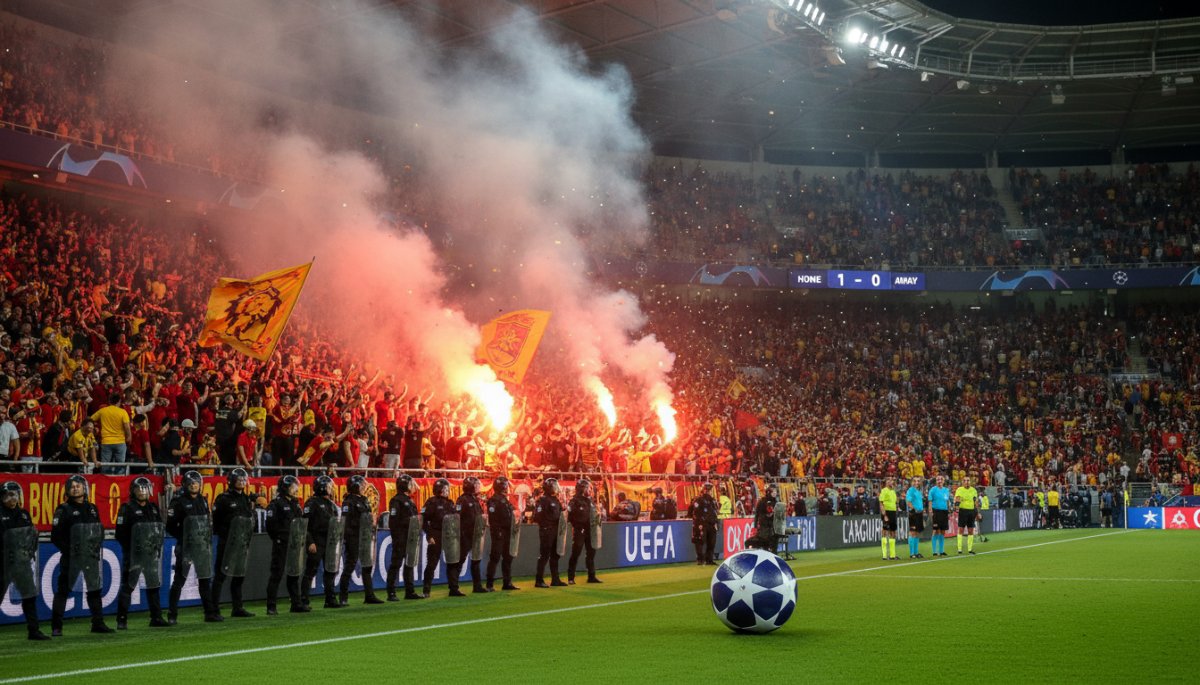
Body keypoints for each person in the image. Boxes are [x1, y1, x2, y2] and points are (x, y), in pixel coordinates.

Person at [50, 474, 113, 635]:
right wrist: (70, 551)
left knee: (94, 589)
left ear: (85, 489)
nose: (75, 489)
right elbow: (55, 537)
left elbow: (98, 531)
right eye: (72, 487)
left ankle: (98, 623)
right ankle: (56, 627)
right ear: (67, 490)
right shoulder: (63, 509)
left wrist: (95, 547)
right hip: (71, 558)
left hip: (90, 556)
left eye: (78, 486)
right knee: (63, 590)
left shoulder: (92, 508)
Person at [114, 476, 170, 629]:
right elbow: (120, 533)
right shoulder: (127, 508)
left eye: (145, 488)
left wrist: (156, 546)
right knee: (128, 586)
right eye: (139, 488)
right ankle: (121, 620)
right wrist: (131, 550)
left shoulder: (153, 507)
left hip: (150, 554)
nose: (142, 491)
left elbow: (159, 528)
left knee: (153, 585)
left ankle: (156, 617)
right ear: (133, 491)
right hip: (134, 555)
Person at [166, 470, 220, 623]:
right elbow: (170, 526)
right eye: (190, 483)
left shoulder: (203, 500)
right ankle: (172, 614)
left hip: (201, 546)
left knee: (204, 579)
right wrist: (183, 537)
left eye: (196, 483)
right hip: (186, 546)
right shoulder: (178, 502)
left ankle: (209, 613)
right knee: (179, 580)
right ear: (185, 485)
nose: (193, 485)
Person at [1, 481, 49, 640]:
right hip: (4, 562)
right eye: (8, 495)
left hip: (21, 562)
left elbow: (30, 534)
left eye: (15, 494)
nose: (12, 498)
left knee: (29, 596)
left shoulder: (24, 514)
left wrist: (30, 549)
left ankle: (33, 630)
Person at [211, 467, 255, 618]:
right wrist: (225, 535)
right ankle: (213, 609)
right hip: (227, 541)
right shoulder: (223, 499)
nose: (242, 482)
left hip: (241, 542)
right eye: (239, 479)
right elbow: (216, 521)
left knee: (239, 575)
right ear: (231, 481)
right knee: (220, 575)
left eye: (243, 479)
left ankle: (237, 607)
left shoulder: (246, 498)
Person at [339, 474, 384, 605]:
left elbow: (369, 515)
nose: (364, 487)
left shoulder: (364, 500)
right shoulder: (348, 502)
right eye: (362, 485)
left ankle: (369, 595)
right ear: (355, 486)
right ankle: (343, 597)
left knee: (367, 566)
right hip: (353, 537)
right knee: (350, 565)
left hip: (364, 537)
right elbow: (346, 522)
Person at [265, 474, 307, 614]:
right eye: (293, 487)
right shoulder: (276, 504)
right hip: (281, 543)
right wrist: (278, 538)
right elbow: (270, 525)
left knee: (294, 573)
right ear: (285, 488)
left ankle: (296, 604)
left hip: (294, 543)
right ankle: (271, 606)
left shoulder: (295, 503)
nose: (296, 489)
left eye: (296, 486)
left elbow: (300, 521)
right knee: (276, 574)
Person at [302, 474, 341, 608]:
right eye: (330, 486)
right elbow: (305, 525)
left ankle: (330, 599)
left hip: (330, 541)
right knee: (310, 571)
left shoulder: (332, 504)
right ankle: (304, 600)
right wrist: (310, 542)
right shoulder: (312, 503)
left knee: (330, 570)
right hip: (317, 541)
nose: (331, 489)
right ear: (324, 487)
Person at [385, 474, 423, 600]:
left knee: (409, 564)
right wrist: (410, 521)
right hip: (400, 537)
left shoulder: (409, 500)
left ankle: (410, 591)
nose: (413, 486)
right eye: (410, 484)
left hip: (409, 536)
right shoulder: (396, 500)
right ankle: (391, 592)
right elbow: (394, 520)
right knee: (396, 564)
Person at [420, 478, 460, 597]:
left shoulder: (450, 503)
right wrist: (429, 535)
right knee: (432, 563)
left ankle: (454, 589)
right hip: (436, 534)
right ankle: (426, 590)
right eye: (446, 488)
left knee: (452, 562)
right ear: (440, 489)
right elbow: (423, 520)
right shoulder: (431, 502)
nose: (448, 490)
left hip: (449, 535)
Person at [454, 476, 488, 594]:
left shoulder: (475, 500)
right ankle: (454, 588)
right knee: (460, 560)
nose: (478, 487)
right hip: (465, 535)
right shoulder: (462, 500)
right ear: (471, 486)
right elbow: (457, 516)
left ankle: (477, 586)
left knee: (476, 560)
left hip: (476, 534)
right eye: (476, 485)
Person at [486, 476, 519, 591]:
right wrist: (497, 531)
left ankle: (507, 582)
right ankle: (489, 584)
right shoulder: (493, 500)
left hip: (507, 531)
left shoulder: (505, 499)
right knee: (495, 557)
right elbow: (493, 519)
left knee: (508, 557)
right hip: (499, 532)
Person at [567, 478, 601, 584]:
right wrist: (577, 525)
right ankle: (571, 577)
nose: (589, 490)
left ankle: (592, 576)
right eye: (587, 488)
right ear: (582, 489)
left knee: (591, 553)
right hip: (580, 530)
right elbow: (569, 515)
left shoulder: (589, 501)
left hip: (590, 530)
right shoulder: (574, 501)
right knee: (576, 553)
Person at [534, 478, 566, 588]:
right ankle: (539, 580)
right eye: (554, 486)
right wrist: (546, 524)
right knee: (544, 556)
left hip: (556, 530)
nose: (556, 488)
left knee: (555, 555)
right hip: (547, 530)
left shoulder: (556, 500)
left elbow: (561, 513)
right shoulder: (542, 500)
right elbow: (537, 516)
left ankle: (555, 579)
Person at [687, 482, 719, 566]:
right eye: (707, 490)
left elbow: (715, 511)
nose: (708, 491)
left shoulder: (713, 500)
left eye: (710, 490)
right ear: (703, 490)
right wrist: (699, 522)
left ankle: (709, 560)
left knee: (711, 543)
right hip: (701, 524)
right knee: (700, 541)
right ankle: (700, 559)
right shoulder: (698, 500)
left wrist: (715, 522)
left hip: (711, 524)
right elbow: (693, 511)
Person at [747, 484, 778, 550]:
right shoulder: (762, 501)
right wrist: (755, 526)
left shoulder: (776, 502)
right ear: (769, 492)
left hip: (773, 527)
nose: (775, 493)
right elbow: (757, 514)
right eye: (774, 491)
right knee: (765, 543)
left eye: (776, 491)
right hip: (764, 527)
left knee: (773, 544)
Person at [954, 475, 980, 555]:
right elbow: (957, 500)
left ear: (970, 482)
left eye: (968, 480)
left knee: (971, 530)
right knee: (961, 529)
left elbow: (975, 502)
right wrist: (957, 508)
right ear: (962, 482)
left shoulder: (974, 490)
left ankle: (970, 549)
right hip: (963, 511)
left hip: (972, 511)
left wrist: (977, 513)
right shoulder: (959, 489)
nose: (966, 482)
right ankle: (959, 549)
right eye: (965, 480)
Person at [928, 475, 951, 557]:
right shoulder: (933, 490)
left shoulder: (946, 490)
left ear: (943, 481)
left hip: (944, 511)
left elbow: (947, 501)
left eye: (941, 479)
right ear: (936, 481)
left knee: (943, 531)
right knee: (936, 530)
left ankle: (941, 551)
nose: (939, 481)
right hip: (936, 511)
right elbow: (930, 501)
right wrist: (930, 511)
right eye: (938, 479)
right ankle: (934, 551)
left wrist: (949, 510)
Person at [904, 476, 926, 559]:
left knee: (917, 533)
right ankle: (912, 553)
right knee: (912, 532)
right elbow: (908, 501)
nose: (917, 482)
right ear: (912, 482)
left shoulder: (918, 491)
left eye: (918, 481)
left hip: (919, 513)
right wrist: (914, 509)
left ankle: (916, 553)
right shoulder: (911, 490)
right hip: (913, 513)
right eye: (915, 481)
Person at [879, 476, 898, 560]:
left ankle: (892, 555)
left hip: (893, 512)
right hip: (887, 512)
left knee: (893, 532)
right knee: (885, 531)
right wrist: (884, 515)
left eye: (892, 480)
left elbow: (895, 502)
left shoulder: (893, 491)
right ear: (886, 482)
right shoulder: (884, 490)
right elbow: (881, 503)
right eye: (889, 480)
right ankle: (884, 555)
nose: (891, 481)